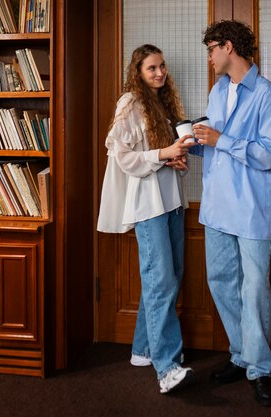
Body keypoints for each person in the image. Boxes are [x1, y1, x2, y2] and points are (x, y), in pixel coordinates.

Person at [191, 20, 271, 406]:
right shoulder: (217, 91)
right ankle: (242, 353)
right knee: (221, 282)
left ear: (228, 47)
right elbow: (216, 145)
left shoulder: (269, 96)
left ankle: (261, 368)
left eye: (212, 48)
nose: (210, 56)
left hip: (251, 209)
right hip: (216, 206)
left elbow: (270, 154)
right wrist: (193, 146)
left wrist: (221, 139)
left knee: (254, 289)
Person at [97, 44, 196, 394]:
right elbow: (123, 156)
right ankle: (167, 367)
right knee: (161, 281)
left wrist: (174, 159)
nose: (159, 73)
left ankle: (142, 349)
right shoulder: (130, 102)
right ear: (137, 72)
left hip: (170, 201)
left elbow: (155, 155)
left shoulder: (163, 104)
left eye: (162, 66)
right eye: (151, 68)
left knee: (170, 276)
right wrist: (163, 153)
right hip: (148, 206)